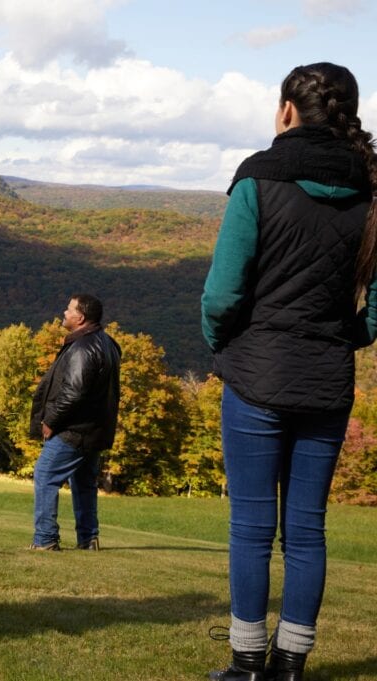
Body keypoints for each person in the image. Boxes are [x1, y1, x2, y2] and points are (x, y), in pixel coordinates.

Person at [201, 62, 377, 681]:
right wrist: (348, 336)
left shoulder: (258, 177)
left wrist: (223, 344)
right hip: (327, 377)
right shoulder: (371, 189)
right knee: (306, 530)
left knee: (251, 527)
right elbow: (376, 306)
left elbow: (223, 294)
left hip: (256, 375)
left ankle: (248, 662)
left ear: (285, 112)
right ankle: (292, 665)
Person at [28, 293, 121, 552]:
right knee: (84, 483)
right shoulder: (109, 344)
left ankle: (45, 539)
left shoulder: (82, 348)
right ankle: (88, 539)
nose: (64, 313)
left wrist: (50, 421)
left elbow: (74, 392)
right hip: (95, 430)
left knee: (45, 475)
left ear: (80, 318)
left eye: (69, 309)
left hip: (74, 430)